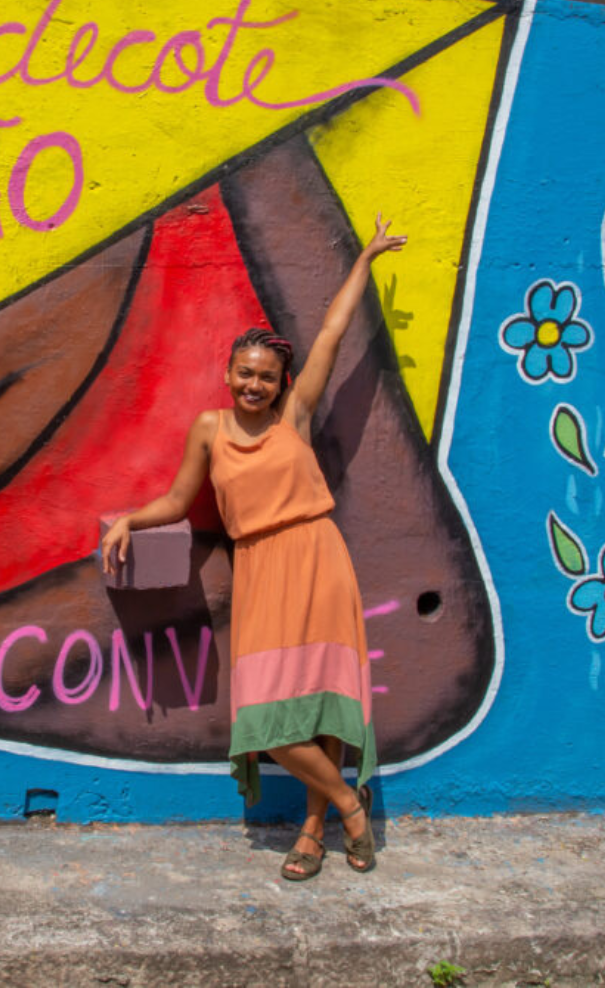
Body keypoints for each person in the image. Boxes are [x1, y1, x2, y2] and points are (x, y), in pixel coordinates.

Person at [100, 213, 407, 880]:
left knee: (323, 698)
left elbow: (330, 334)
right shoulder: (209, 429)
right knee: (267, 716)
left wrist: (367, 258)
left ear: (281, 382)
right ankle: (352, 805)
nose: (253, 386)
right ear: (229, 371)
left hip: (318, 556)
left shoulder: (293, 417)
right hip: (262, 567)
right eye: (244, 373)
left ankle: (314, 827)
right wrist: (131, 518)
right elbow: (181, 501)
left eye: (266, 377)